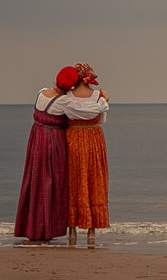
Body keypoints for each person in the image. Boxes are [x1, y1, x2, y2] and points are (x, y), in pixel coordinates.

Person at [13, 67, 79, 243]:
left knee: (35, 181)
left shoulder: (41, 92)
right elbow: (82, 111)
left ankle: (32, 227)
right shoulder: (63, 101)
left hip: (36, 138)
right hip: (52, 141)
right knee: (53, 183)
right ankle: (46, 229)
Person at [61, 62, 110, 248]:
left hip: (72, 139)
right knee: (94, 181)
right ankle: (91, 232)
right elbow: (102, 120)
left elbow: (61, 117)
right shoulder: (100, 97)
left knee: (73, 181)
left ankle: (71, 229)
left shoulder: (66, 97)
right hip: (93, 140)